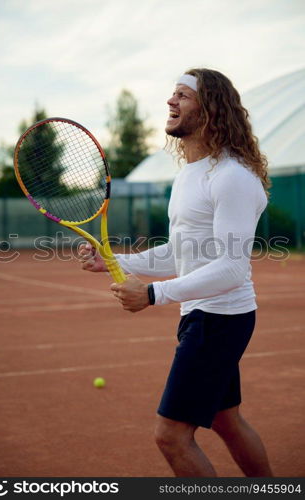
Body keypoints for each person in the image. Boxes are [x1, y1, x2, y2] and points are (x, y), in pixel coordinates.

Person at [79, 68, 273, 477]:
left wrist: (153, 295)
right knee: (225, 420)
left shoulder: (232, 176)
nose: (171, 101)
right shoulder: (190, 173)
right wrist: (116, 262)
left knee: (170, 435)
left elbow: (233, 266)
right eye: (173, 94)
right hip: (204, 317)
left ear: (211, 109)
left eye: (183, 95)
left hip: (219, 320)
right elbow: (183, 252)